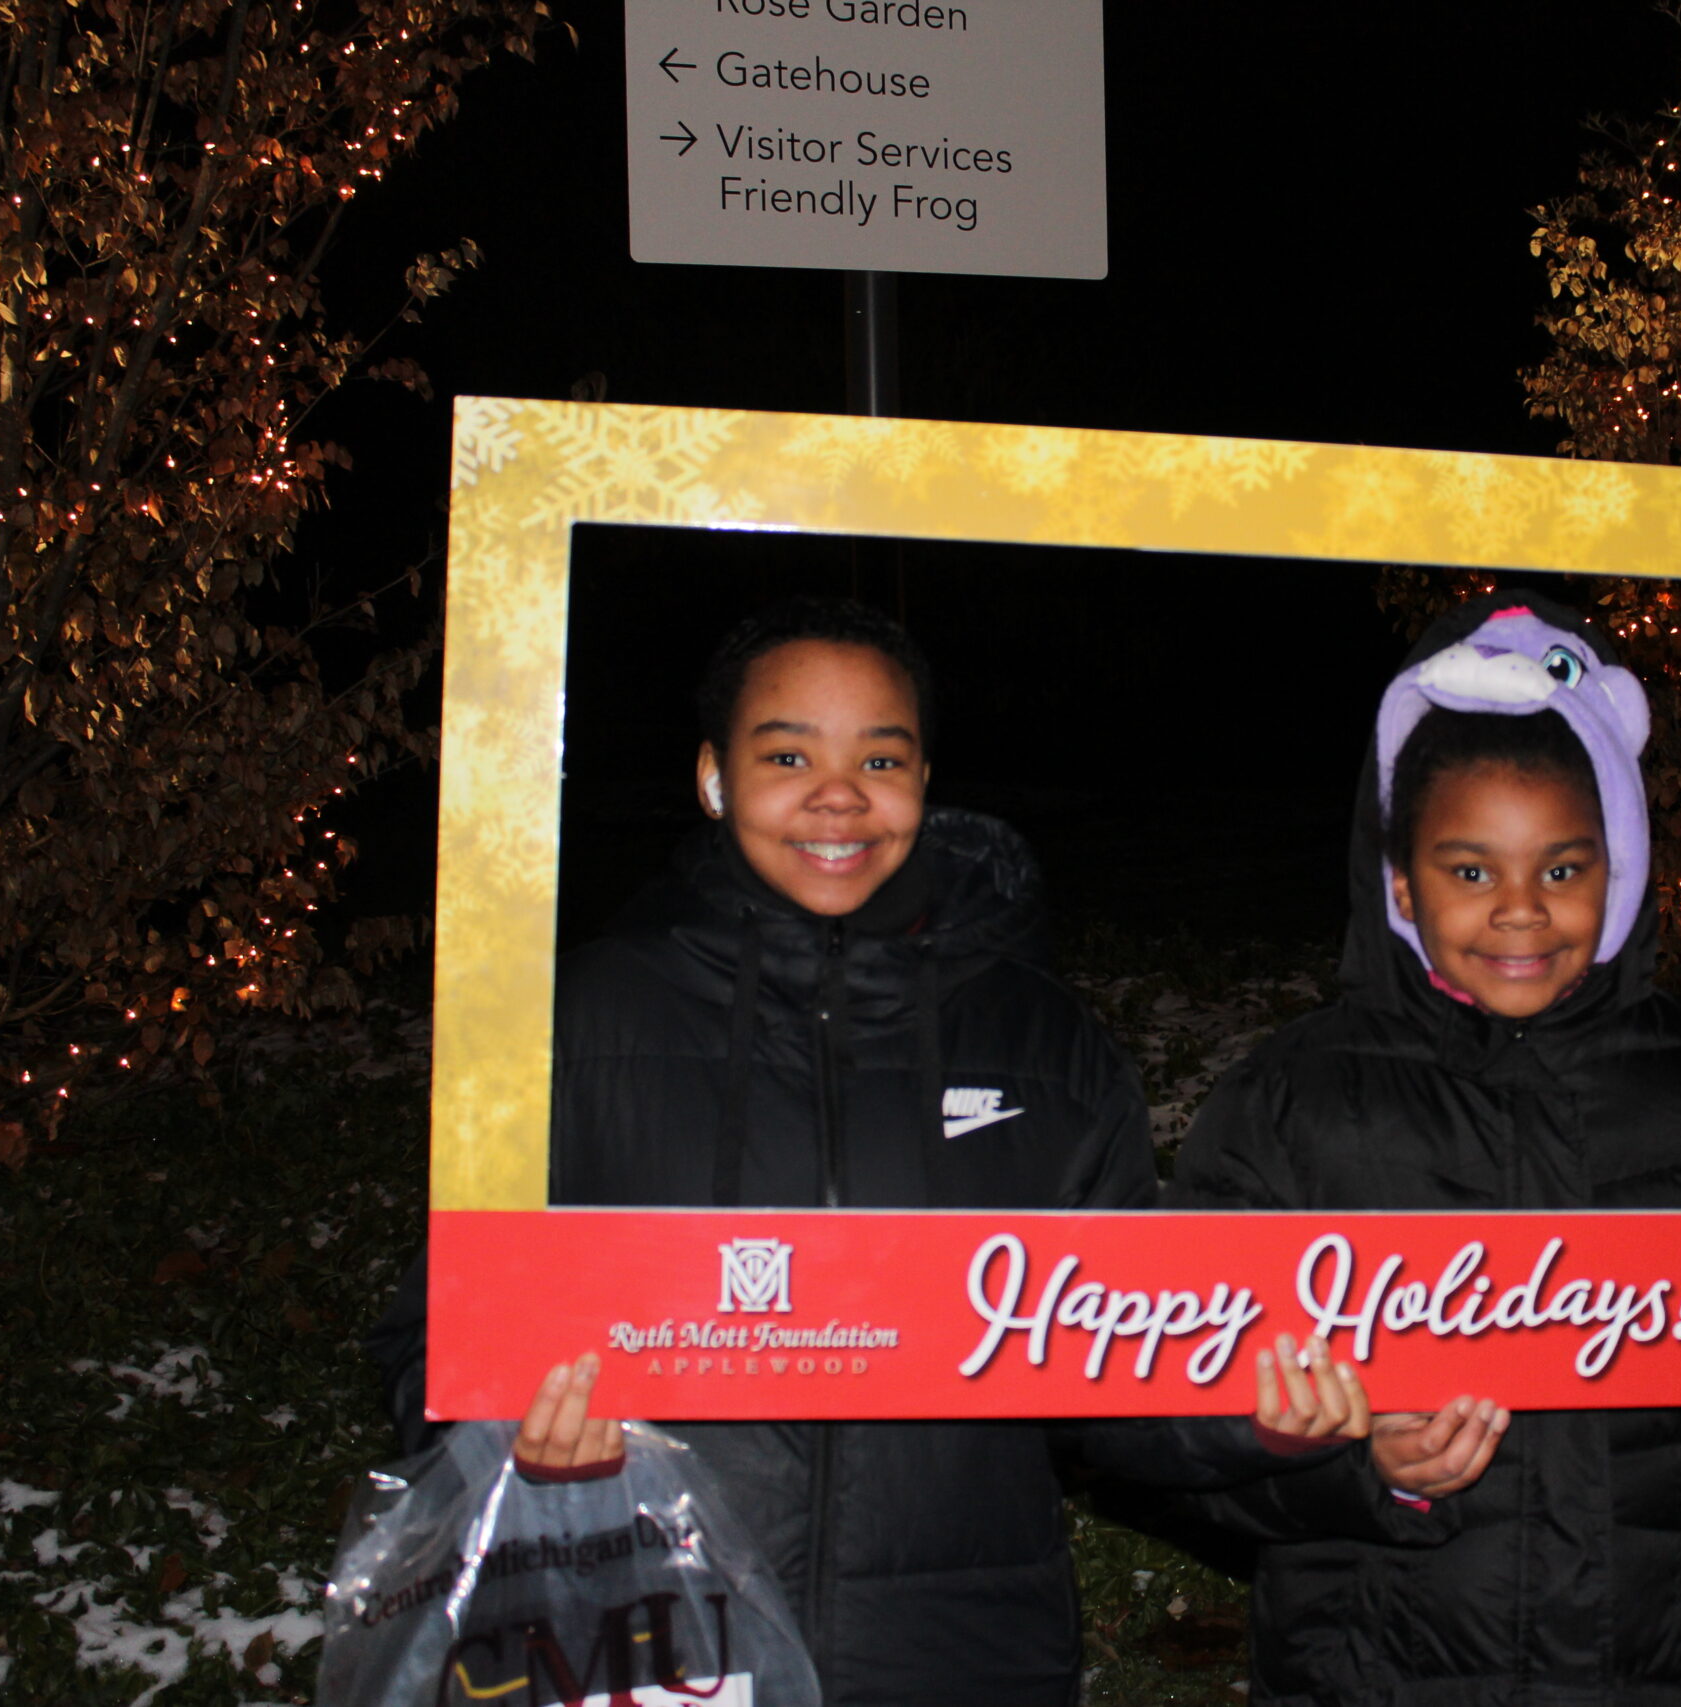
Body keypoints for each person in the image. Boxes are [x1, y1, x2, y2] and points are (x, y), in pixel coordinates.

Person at [368, 596, 1493, 1705]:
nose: (838, 797)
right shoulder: (581, 1023)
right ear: (713, 776)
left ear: (923, 782)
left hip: (963, 1650)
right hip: (646, 1633)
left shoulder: (1042, 1046)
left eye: (883, 760)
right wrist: (512, 1432)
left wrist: (1259, 1417)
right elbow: (437, 1334)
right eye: (787, 754)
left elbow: (1120, 1367)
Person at [1163, 591, 1681, 1706]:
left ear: (1620, 871)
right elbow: (1172, 1400)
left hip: (1658, 1664)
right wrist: (1349, 1470)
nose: (1521, 912)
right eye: (1471, 871)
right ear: (1400, 882)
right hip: (1375, 1669)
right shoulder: (1296, 1100)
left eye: (1562, 868)